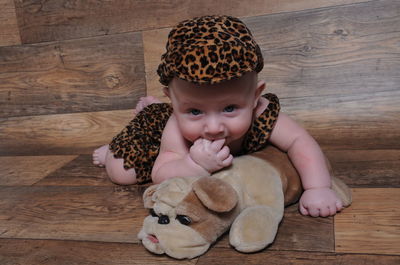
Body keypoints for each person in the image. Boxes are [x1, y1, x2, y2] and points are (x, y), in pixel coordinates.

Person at [93, 15, 343, 217]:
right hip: (153, 132)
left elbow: (301, 141)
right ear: (173, 98)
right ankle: (122, 140)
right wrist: (194, 165)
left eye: (230, 108)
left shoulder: (263, 112)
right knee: (122, 174)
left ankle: (165, 108)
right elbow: (161, 173)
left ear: (255, 96)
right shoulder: (175, 128)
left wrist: (318, 188)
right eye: (195, 111)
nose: (213, 127)